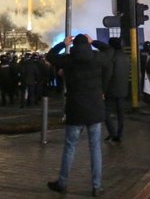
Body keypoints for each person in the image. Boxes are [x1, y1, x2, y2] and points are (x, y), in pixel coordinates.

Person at [47, 33, 111, 197]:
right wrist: (94, 41)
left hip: (75, 109)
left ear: (74, 46)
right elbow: (110, 50)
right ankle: (96, 186)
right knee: (95, 147)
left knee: (70, 147)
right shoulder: (97, 58)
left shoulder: (69, 59)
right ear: (88, 44)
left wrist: (63, 44)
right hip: (95, 108)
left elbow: (50, 56)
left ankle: (63, 182)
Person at [103, 37, 129, 142]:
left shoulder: (111, 58)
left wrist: (103, 90)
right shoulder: (126, 57)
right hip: (123, 88)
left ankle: (112, 132)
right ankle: (120, 134)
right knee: (120, 113)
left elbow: (108, 75)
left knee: (105, 112)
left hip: (111, 88)